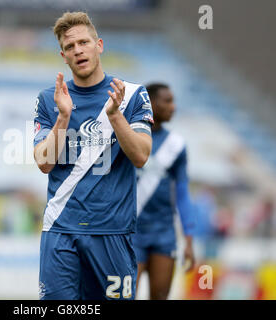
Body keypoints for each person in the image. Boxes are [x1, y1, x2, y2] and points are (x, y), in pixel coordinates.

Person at [33, 12, 153, 300]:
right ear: (63, 55)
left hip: (112, 232)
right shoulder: (49, 98)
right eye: (70, 47)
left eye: (84, 42)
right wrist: (63, 116)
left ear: (99, 45)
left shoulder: (131, 95)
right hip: (61, 229)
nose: (78, 50)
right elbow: (43, 162)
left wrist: (115, 116)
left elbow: (140, 156)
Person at [133, 83, 195, 300]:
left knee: (160, 297)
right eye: (167, 101)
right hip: (131, 232)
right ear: (150, 104)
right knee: (124, 296)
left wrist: (188, 238)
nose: (173, 106)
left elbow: (182, 193)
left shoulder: (176, 145)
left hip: (163, 232)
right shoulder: (129, 137)